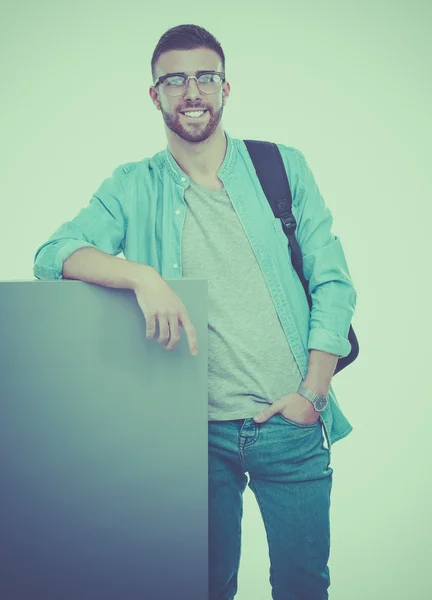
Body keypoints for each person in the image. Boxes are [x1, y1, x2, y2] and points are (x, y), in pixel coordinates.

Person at [33, 23, 357, 600]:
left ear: (226, 88)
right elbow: (53, 255)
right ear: (154, 94)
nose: (192, 92)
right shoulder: (132, 186)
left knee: (304, 587)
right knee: (203, 587)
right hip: (190, 434)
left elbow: (333, 282)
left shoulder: (283, 168)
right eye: (174, 79)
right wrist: (141, 274)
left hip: (289, 419)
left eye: (206, 76)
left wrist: (313, 394)